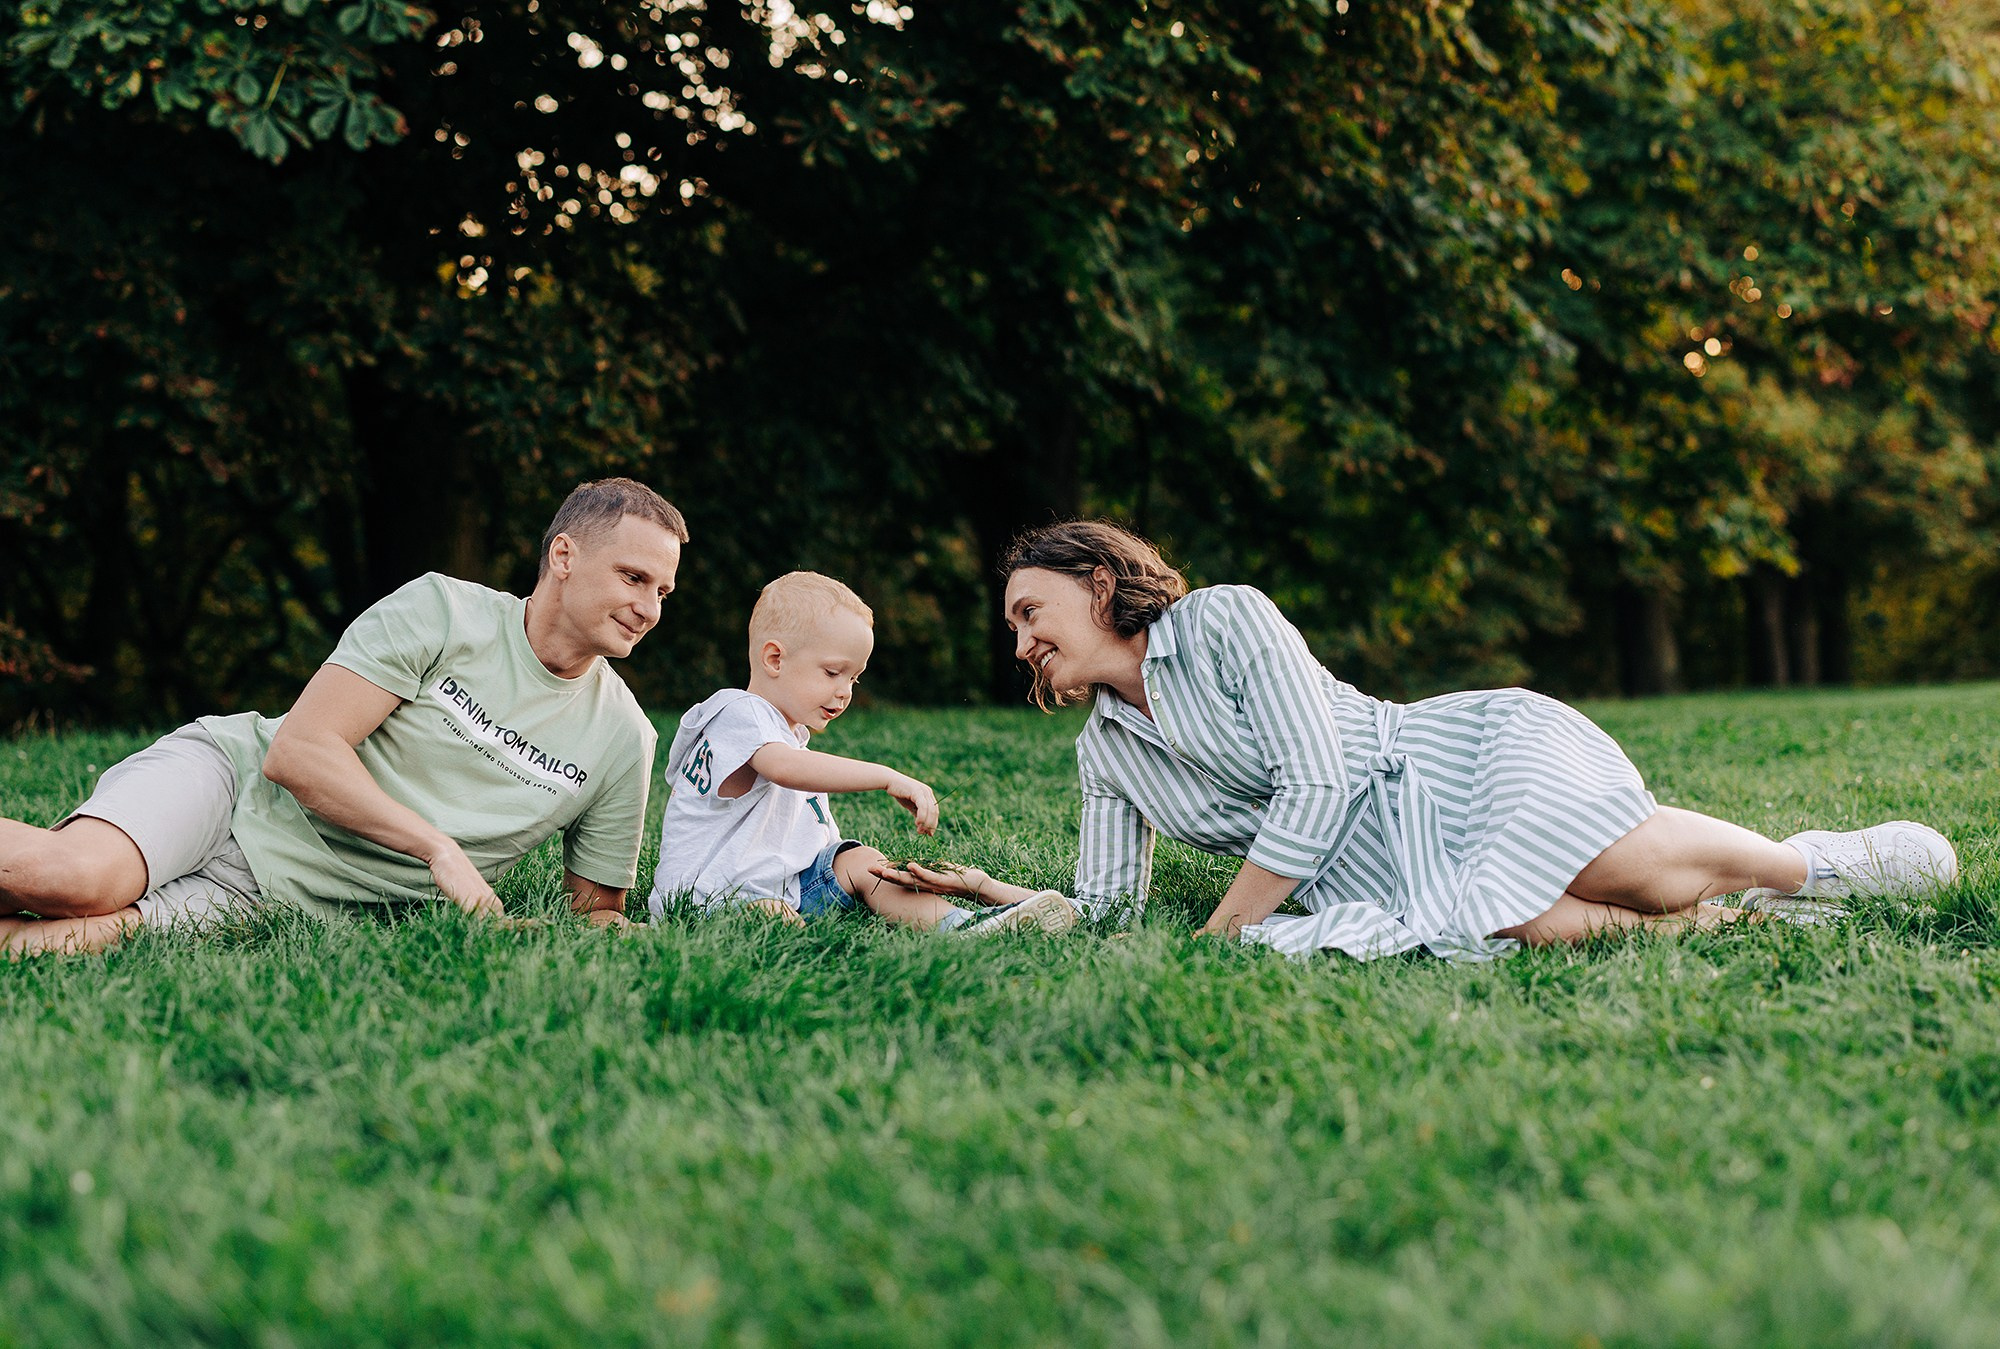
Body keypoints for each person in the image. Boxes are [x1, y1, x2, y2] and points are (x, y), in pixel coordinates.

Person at [890, 520, 1959, 960]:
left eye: (1030, 614)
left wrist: (1222, 931)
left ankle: (1817, 859)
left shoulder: (1222, 617)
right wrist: (994, 896)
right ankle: (1733, 915)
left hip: (1444, 765)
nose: (1021, 643)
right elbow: (1112, 906)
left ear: (1096, 583)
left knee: (1608, 860)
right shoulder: (1105, 754)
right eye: (1012, 630)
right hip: (1375, 863)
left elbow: (1314, 781)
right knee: (1531, 922)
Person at [0, 477, 687, 957]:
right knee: (78, 881)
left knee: (46, 945)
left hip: (289, 898)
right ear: (563, 555)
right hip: (230, 788)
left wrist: (601, 930)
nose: (650, 608)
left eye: (662, 590)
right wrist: (437, 848)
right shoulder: (444, 611)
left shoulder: (624, 737)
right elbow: (298, 751)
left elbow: (595, 910)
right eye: (633, 577)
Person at [646, 571, 1076, 936]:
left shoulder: (784, 729)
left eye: (855, 678)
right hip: (707, 903)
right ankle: (774, 927)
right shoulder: (740, 713)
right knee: (764, 916)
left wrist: (844, 862)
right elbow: (785, 768)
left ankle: (964, 926)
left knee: (868, 865)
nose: (844, 691)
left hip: (789, 886)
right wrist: (886, 776)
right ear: (774, 658)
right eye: (833, 672)